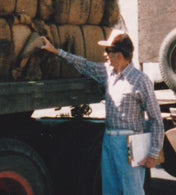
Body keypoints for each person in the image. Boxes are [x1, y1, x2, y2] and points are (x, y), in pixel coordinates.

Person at [40, 29, 164, 195]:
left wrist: (154, 151)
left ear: (119, 54)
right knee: (110, 190)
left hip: (129, 144)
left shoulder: (141, 80)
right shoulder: (108, 73)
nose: (105, 55)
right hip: (108, 141)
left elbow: (155, 118)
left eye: (108, 51)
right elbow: (83, 65)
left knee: (131, 190)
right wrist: (56, 51)